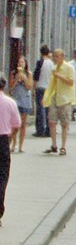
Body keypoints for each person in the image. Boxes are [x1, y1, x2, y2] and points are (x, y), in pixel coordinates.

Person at [41, 48, 76, 155]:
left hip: (65, 99)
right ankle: (54, 145)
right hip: (54, 97)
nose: (55, 58)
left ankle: (63, 146)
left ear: (62, 57)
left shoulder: (69, 67)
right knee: (52, 122)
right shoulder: (54, 68)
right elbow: (51, 84)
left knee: (64, 124)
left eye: (57, 56)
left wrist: (59, 76)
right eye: (54, 56)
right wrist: (46, 97)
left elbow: (71, 82)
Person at [0, 74, 22, 227]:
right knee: (2, 176)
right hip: (2, 141)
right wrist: (9, 139)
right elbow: (16, 125)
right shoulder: (10, 102)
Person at [9, 55, 32, 152]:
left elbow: (29, 87)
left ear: (25, 64)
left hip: (25, 100)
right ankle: (13, 143)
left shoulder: (28, 73)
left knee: (23, 124)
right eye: (19, 62)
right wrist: (16, 80)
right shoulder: (13, 73)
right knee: (14, 124)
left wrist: (24, 78)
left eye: (22, 62)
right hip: (16, 99)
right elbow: (10, 88)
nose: (20, 64)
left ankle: (21, 145)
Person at [32, 45, 54, 137]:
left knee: (40, 109)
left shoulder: (40, 62)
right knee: (48, 110)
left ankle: (40, 130)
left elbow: (36, 76)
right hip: (49, 88)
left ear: (41, 53)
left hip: (40, 87)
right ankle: (49, 130)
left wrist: (34, 88)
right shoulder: (52, 64)